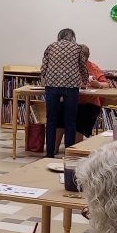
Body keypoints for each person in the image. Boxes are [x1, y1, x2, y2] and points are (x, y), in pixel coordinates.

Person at [39, 28, 86, 158]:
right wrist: (85, 80)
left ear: (59, 36)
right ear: (73, 37)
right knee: (70, 121)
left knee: (51, 120)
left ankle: (49, 153)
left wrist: (44, 79)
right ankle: (68, 154)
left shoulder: (51, 46)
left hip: (52, 85)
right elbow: (82, 66)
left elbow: (43, 67)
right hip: (71, 86)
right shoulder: (77, 48)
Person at [75, 44, 111, 143]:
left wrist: (97, 83)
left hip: (90, 103)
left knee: (81, 120)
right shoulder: (70, 67)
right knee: (60, 115)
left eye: (86, 58)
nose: (84, 61)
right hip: (72, 102)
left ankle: (75, 148)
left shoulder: (93, 67)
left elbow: (106, 85)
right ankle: (68, 147)